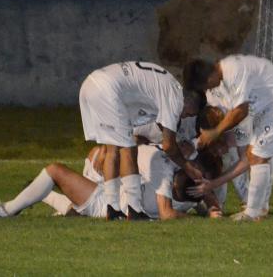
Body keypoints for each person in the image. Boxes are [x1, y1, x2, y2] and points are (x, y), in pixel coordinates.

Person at [0, 101, 224, 220]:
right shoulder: (165, 163)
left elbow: (168, 210)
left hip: (108, 199)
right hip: (108, 185)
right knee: (93, 166)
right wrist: (212, 210)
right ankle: (45, 195)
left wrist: (210, 208)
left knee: (54, 171)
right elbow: (183, 202)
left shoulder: (169, 167)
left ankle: (9, 209)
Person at [182, 54, 273, 222]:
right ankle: (256, 207)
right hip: (268, 110)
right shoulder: (214, 95)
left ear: (210, 76)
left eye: (207, 85)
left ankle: (253, 210)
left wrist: (216, 133)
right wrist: (198, 143)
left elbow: (240, 113)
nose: (208, 89)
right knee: (259, 153)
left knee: (257, 155)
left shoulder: (234, 71)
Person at [78, 61, 204, 220]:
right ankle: (134, 209)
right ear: (189, 102)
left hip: (93, 84)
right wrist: (188, 167)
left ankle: (113, 208)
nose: (185, 116)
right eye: (189, 113)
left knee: (116, 149)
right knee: (128, 148)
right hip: (107, 89)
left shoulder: (163, 90)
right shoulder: (175, 98)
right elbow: (168, 146)